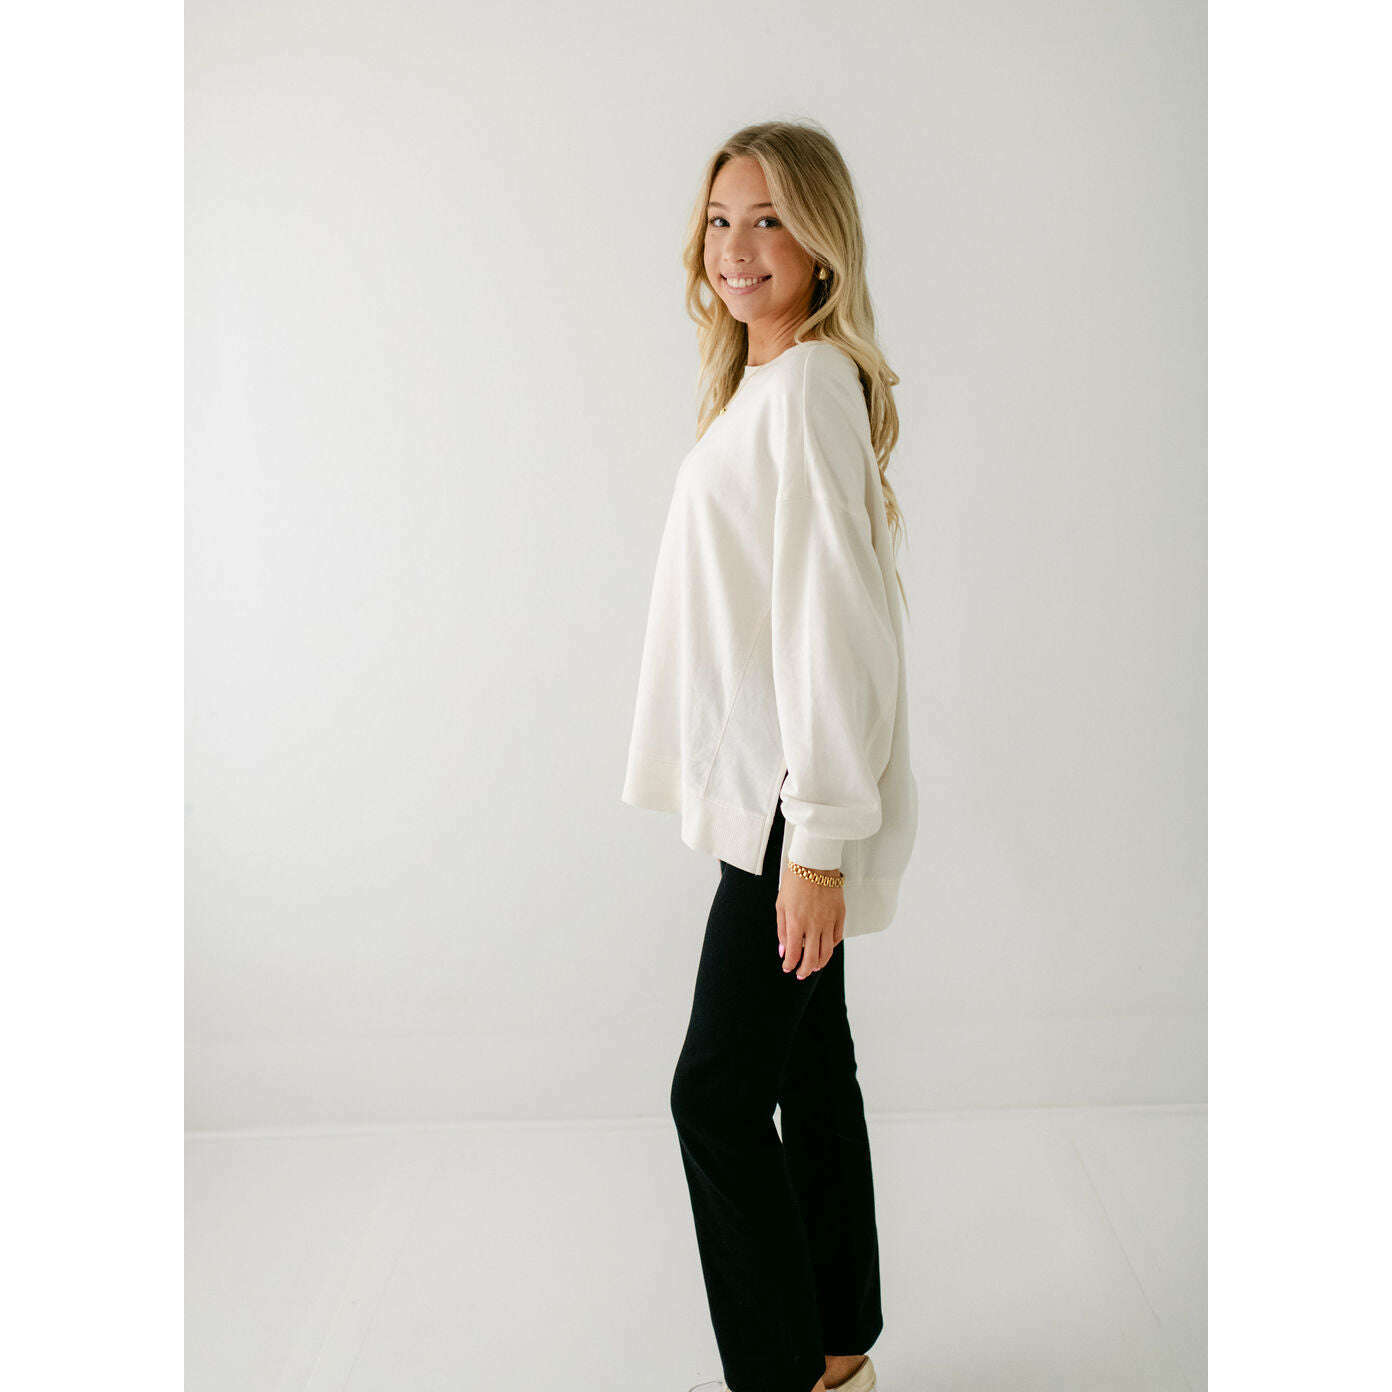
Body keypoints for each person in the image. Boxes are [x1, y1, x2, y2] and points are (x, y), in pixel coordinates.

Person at [621, 119, 918, 1392]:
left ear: (821, 242)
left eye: (770, 220)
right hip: (778, 795)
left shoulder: (807, 390)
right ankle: (838, 1348)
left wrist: (823, 842)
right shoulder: (771, 385)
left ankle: (782, 1375)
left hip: (794, 805)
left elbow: (835, 624)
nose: (737, 248)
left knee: (714, 1096)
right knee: (806, 1064)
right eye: (721, 219)